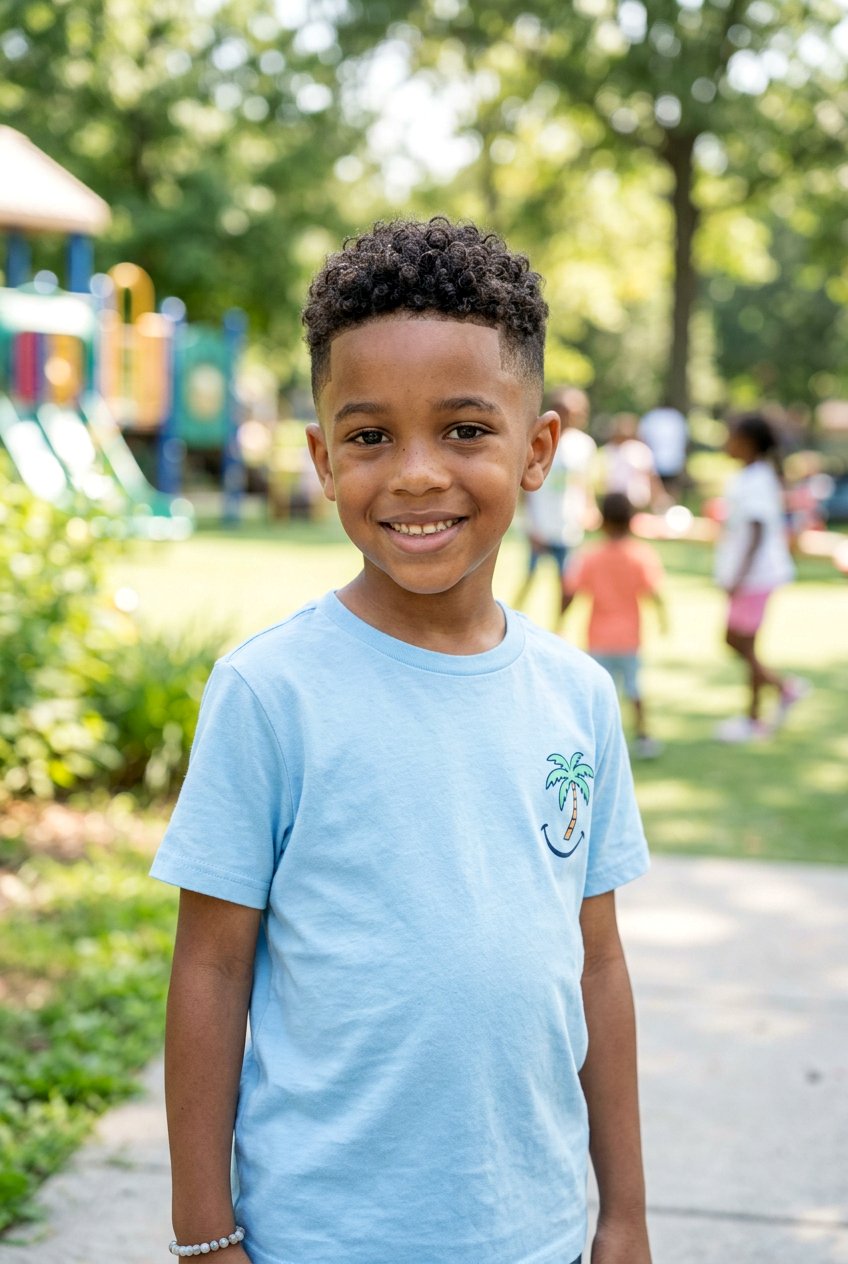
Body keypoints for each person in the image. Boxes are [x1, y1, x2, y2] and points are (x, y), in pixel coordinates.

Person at [151, 217, 652, 1264]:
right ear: (323, 458)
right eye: (371, 437)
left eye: (464, 429)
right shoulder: (271, 691)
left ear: (536, 450)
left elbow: (596, 963)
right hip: (320, 1238)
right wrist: (204, 1235)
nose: (417, 474)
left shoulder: (575, 696)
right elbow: (210, 969)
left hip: (535, 1233)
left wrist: (623, 1217)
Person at [714, 412, 808, 743]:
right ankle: (754, 715)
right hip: (754, 576)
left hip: (755, 577)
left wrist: (738, 576)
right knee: (745, 644)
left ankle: (782, 691)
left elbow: (757, 529)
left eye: (732, 437)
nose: (726, 443)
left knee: (737, 640)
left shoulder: (756, 479)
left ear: (748, 443)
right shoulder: (752, 476)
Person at [562, 493, 667, 759]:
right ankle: (643, 736)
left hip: (598, 638)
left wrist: (560, 619)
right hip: (629, 638)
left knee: (597, 693)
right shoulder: (640, 555)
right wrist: (663, 619)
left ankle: (593, 740)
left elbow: (571, 592)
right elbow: (654, 592)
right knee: (634, 689)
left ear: (603, 520)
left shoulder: (591, 556)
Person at [513, 384, 597, 627]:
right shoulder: (540, 439)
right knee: (530, 575)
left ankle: (558, 628)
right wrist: (529, 523)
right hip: (541, 521)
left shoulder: (584, 445)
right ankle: (513, 621)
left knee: (567, 582)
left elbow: (583, 482)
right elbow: (525, 487)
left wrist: (590, 508)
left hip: (568, 524)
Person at [596, 413, 665, 511]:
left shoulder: (641, 450)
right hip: (613, 502)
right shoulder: (606, 452)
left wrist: (659, 498)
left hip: (637, 502)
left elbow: (651, 476)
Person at [637, 402, 688, 500]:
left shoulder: (650, 417)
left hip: (655, 460)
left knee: (657, 489)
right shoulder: (677, 417)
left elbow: (642, 437)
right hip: (674, 460)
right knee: (671, 489)